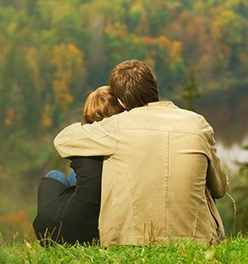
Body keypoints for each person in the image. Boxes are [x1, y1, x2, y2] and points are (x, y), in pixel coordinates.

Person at [54, 60, 229, 246]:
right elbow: (220, 188)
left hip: (132, 240)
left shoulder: (116, 127)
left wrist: (99, 125)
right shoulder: (198, 124)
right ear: (155, 88)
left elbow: (63, 140)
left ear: (121, 102)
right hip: (199, 240)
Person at [33, 86, 124, 245]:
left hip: (75, 226)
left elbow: (61, 139)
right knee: (72, 177)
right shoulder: (123, 143)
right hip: (102, 217)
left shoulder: (85, 145)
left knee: (56, 176)